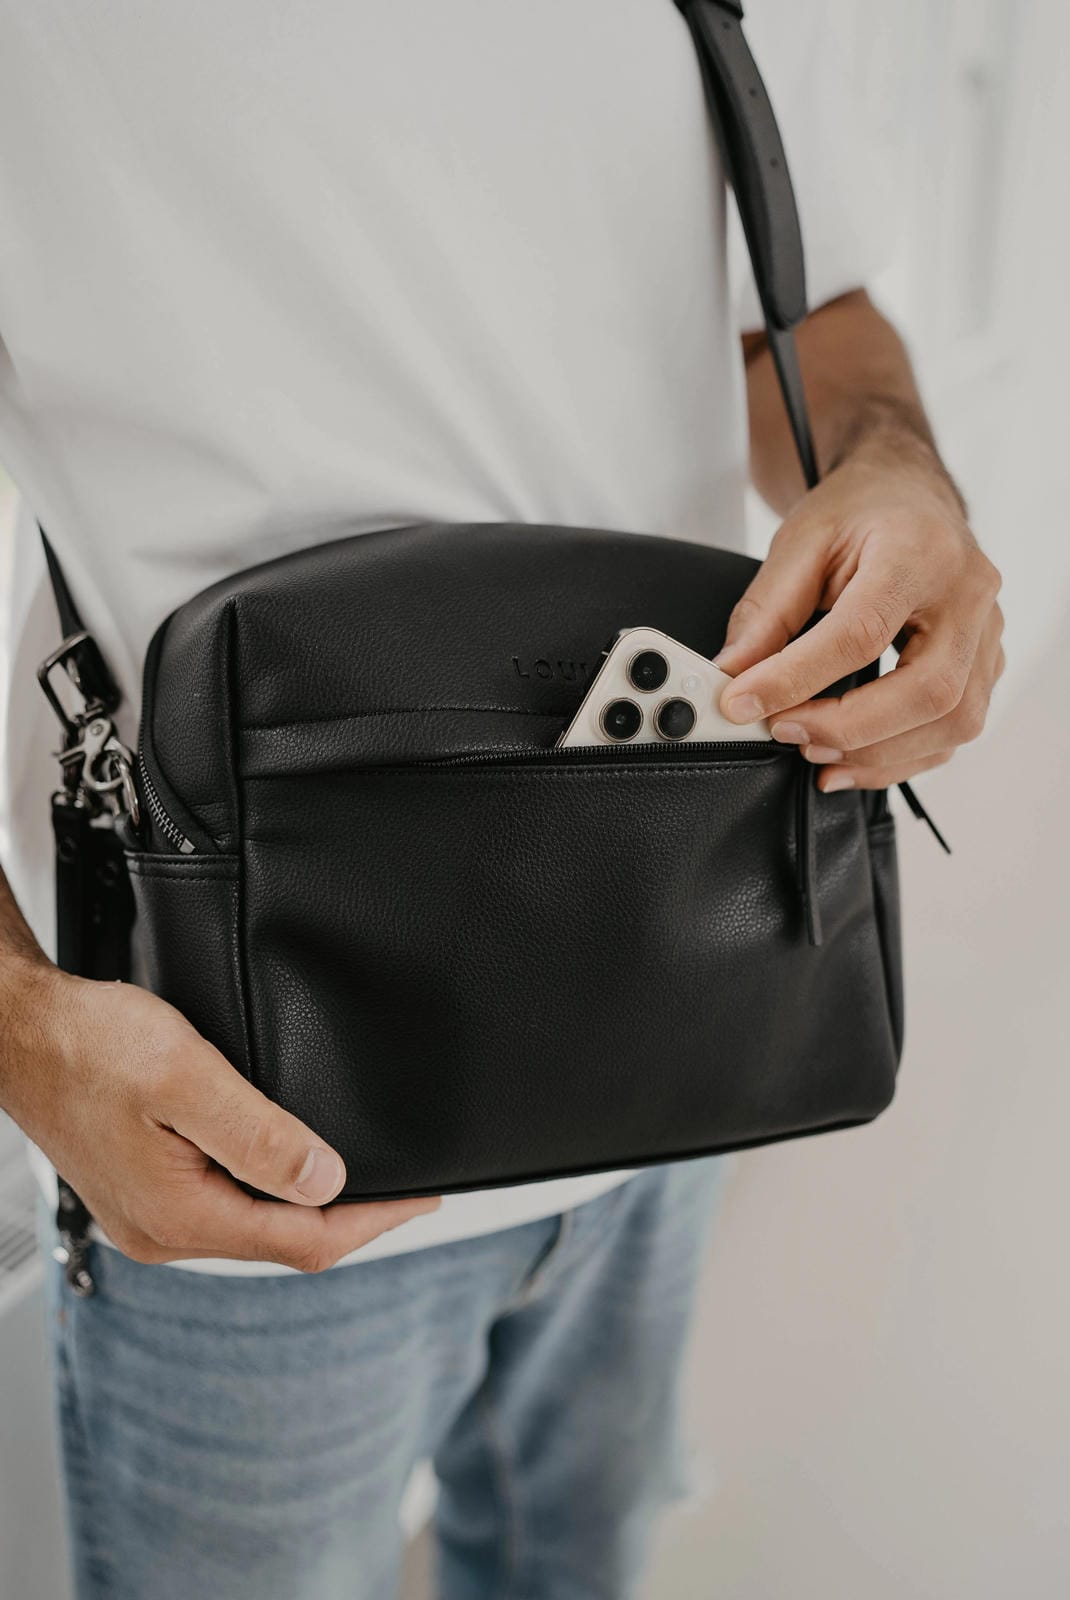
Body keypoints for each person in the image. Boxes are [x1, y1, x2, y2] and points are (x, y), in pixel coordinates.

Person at [0, 3, 1003, 1597]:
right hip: (244, 1156)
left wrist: (893, 469)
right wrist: (20, 1026)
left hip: (679, 1044)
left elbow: (796, 321)